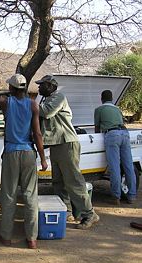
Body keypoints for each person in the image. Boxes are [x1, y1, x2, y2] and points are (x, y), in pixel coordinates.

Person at [0, 74, 48, 249]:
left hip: (11, 153)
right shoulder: (33, 105)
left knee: (8, 195)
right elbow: (37, 134)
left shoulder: (5, 102)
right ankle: (32, 239)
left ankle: (6, 236)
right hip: (29, 153)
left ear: (12, 89)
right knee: (31, 196)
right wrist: (43, 159)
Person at [36, 75, 99, 229]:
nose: (38, 88)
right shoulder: (46, 99)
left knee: (73, 181)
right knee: (58, 182)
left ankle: (89, 214)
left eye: (41, 85)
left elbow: (47, 112)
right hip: (57, 145)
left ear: (50, 86)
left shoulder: (58, 97)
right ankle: (66, 211)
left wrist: (28, 103)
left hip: (67, 143)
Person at [94, 90, 136, 204]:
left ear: (101, 98)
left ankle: (116, 197)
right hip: (124, 133)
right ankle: (131, 196)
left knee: (115, 167)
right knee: (128, 166)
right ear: (112, 99)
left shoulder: (99, 110)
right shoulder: (117, 109)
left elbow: (97, 129)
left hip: (112, 135)